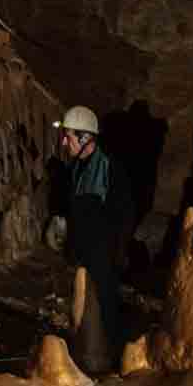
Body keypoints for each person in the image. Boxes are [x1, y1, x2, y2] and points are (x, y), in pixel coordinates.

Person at [52, 105, 135, 350]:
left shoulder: (110, 167)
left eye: (69, 137)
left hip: (105, 251)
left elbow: (125, 211)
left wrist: (119, 249)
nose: (65, 144)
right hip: (85, 249)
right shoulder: (78, 168)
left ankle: (117, 357)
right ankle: (90, 353)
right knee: (84, 304)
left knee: (107, 304)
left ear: (86, 137)